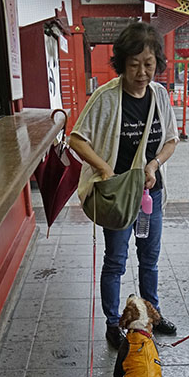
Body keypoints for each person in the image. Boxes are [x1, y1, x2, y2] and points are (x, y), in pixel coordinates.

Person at [69, 23, 179, 349]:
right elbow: (77, 139)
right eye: (134, 65)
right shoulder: (106, 97)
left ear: (157, 63)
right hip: (118, 195)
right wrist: (104, 169)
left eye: (149, 64)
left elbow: (171, 140)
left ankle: (150, 314)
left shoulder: (160, 96)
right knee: (116, 261)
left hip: (149, 194)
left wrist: (153, 165)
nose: (142, 73)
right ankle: (112, 322)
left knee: (150, 259)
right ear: (122, 63)